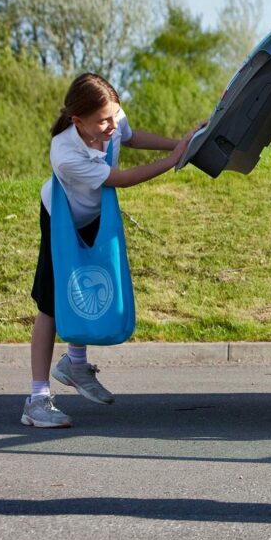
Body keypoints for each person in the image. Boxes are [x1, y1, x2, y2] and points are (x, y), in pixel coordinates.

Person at [22, 73, 197, 428]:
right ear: (78, 122)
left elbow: (132, 137)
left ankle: (75, 364)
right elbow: (119, 179)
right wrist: (174, 160)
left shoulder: (111, 119)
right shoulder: (65, 152)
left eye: (114, 115)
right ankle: (36, 399)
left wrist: (178, 144)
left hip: (94, 215)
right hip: (62, 219)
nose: (112, 124)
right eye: (102, 120)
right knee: (52, 303)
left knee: (89, 286)